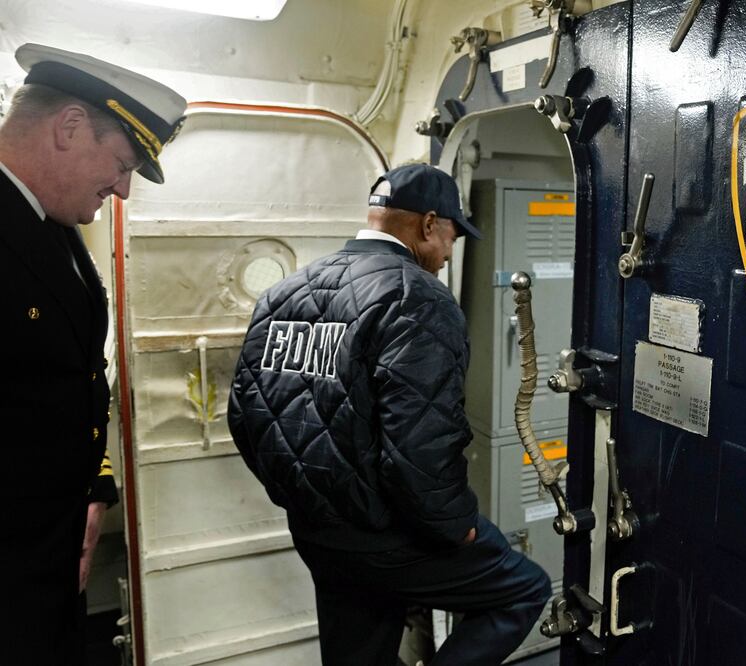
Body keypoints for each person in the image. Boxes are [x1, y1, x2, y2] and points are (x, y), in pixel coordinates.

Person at [228, 164, 552, 666]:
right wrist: (454, 525)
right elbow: (419, 446)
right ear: (428, 224)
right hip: (386, 538)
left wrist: (305, 501)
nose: (448, 254)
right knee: (523, 590)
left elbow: (246, 415)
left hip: (316, 531)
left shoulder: (285, 292)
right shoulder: (417, 297)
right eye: (450, 237)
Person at [0, 43, 186, 665]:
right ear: (71, 126)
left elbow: (73, 377)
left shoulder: (55, 226)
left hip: (48, 560)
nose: (123, 189)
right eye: (123, 164)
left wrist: (93, 488)